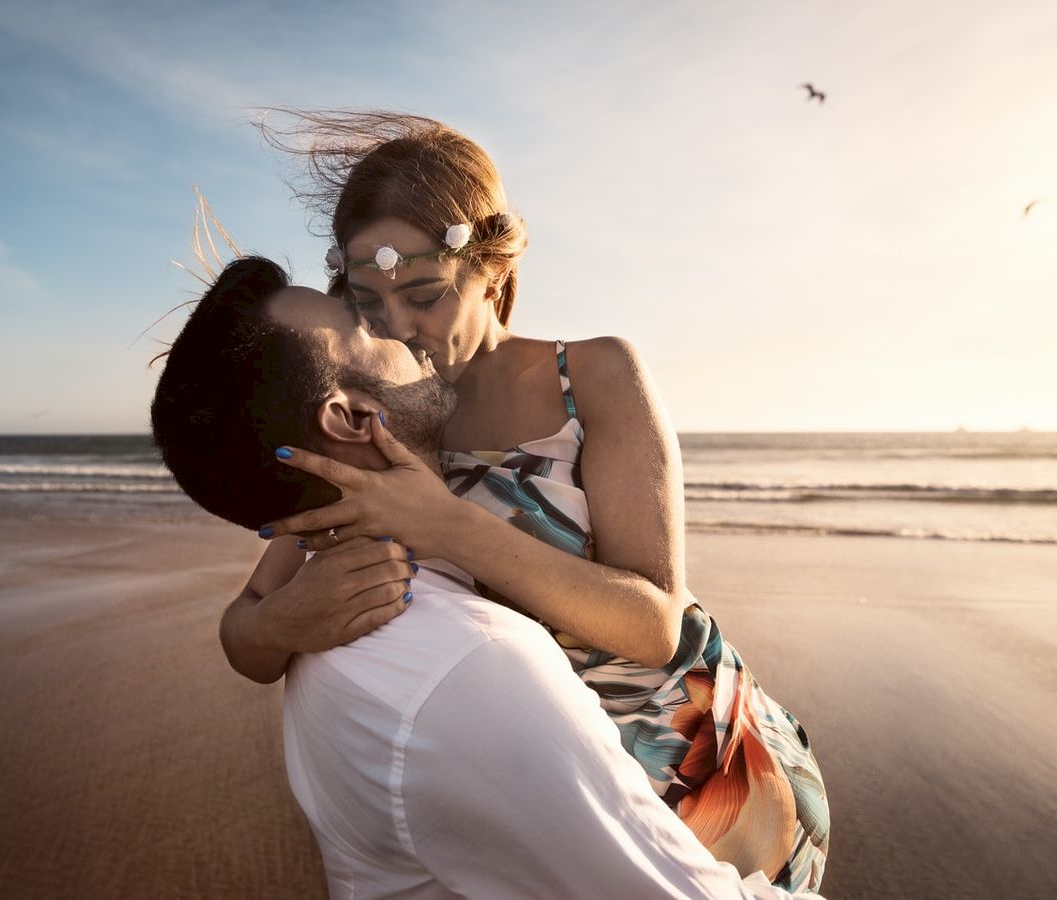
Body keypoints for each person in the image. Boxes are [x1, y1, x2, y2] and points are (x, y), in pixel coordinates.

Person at [222, 113, 829, 893]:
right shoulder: (381, 417)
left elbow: (655, 626)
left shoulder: (596, 377)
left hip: (707, 781)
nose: (399, 327)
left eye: (425, 294)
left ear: (494, 269)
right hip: (540, 800)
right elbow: (245, 629)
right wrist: (281, 623)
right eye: (369, 302)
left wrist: (448, 527)